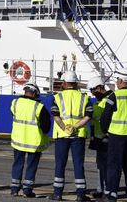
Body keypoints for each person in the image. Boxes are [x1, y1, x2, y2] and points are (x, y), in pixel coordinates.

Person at [100, 68, 127, 202]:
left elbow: (105, 117)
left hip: (116, 135)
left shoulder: (114, 96)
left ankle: (112, 194)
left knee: (114, 165)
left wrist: (104, 130)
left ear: (120, 81)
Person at [50, 71, 92, 202]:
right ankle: (80, 194)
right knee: (78, 164)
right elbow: (88, 116)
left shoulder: (57, 97)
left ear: (64, 83)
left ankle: (57, 193)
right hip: (78, 135)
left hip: (62, 135)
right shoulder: (84, 97)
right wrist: (75, 127)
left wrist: (65, 128)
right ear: (76, 83)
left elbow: (55, 116)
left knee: (60, 164)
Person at [10, 83, 51, 198]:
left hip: (18, 141)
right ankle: (27, 190)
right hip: (34, 143)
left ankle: (14, 189)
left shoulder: (15, 103)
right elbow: (46, 126)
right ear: (34, 94)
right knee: (31, 166)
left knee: (18, 163)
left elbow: (13, 113)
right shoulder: (39, 107)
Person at [87, 76, 113, 200]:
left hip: (107, 139)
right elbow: (94, 122)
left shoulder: (109, 100)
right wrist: (93, 138)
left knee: (107, 166)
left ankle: (108, 191)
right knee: (100, 165)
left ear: (99, 87)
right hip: (98, 139)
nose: (92, 93)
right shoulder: (98, 101)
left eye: (93, 90)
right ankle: (100, 189)